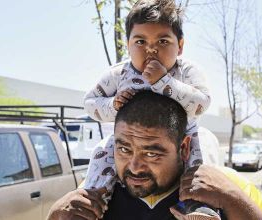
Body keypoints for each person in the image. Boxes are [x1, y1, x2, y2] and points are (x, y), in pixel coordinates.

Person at [47, 91, 262, 220]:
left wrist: (232, 199)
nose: (135, 167)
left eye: (151, 153)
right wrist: (54, 216)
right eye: (124, 149)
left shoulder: (228, 186)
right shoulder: (96, 190)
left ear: (184, 148)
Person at [83, 0, 215, 218]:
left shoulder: (187, 71)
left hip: (184, 135)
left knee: (200, 166)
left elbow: (202, 103)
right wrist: (113, 105)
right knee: (101, 154)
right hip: (126, 135)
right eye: (140, 41)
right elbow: (90, 103)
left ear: (180, 45)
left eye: (162, 41)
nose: (151, 49)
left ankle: (196, 206)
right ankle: (94, 200)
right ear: (128, 45)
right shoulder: (118, 73)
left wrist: (165, 82)